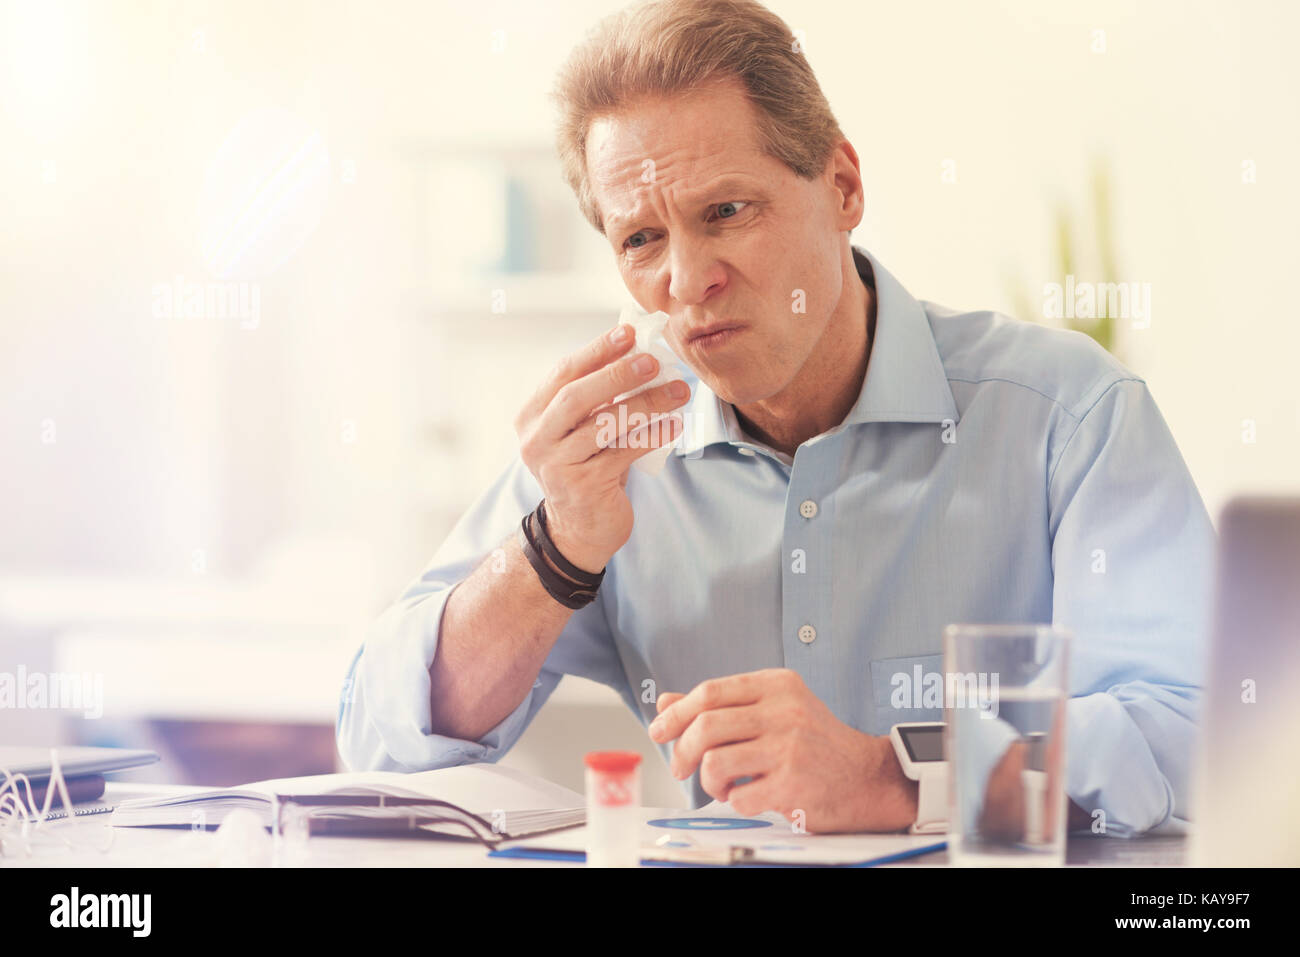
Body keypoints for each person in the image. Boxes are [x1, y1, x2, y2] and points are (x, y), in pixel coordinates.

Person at [337, 0, 1214, 836]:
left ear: (842, 185)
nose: (686, 280)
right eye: (641, 239)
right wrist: (556, 551)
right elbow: (384, 741)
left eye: (725, 211)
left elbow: (1197, 740)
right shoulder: (613, 454)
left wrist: (891, 775)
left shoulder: (1070, 417)